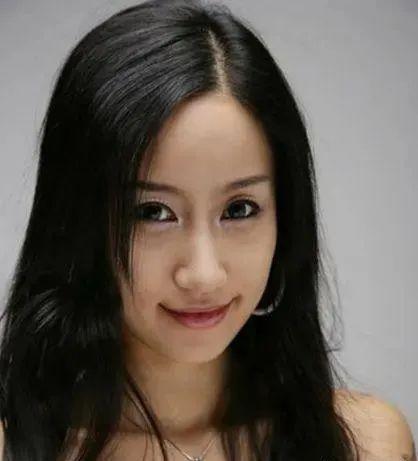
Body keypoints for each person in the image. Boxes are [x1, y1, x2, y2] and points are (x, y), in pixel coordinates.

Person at [0, 0, 415, 460]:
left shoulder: (367, 445)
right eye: (153, 212)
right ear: (80, 221)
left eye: (239, 209)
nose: (203, 274)